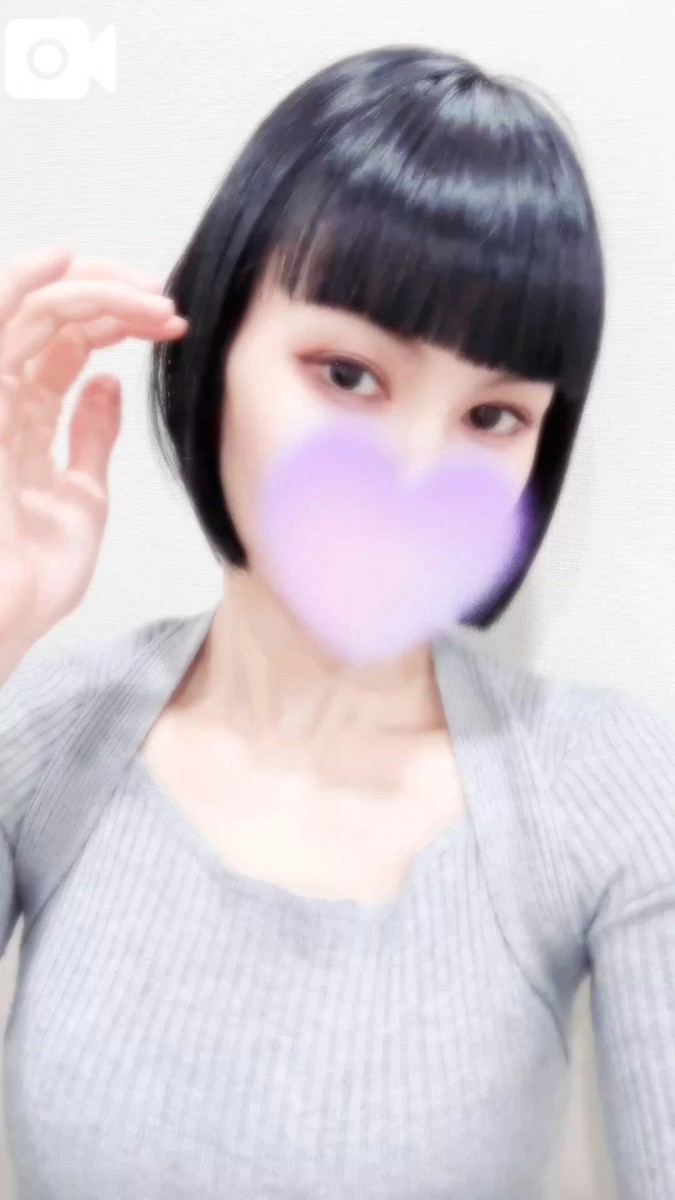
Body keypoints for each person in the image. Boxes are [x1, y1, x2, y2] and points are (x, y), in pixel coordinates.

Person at [0, 43, 673, 1200]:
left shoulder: (602, 782)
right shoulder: (43, 728)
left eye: (494, 417)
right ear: (215, 348)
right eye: (349, 375)